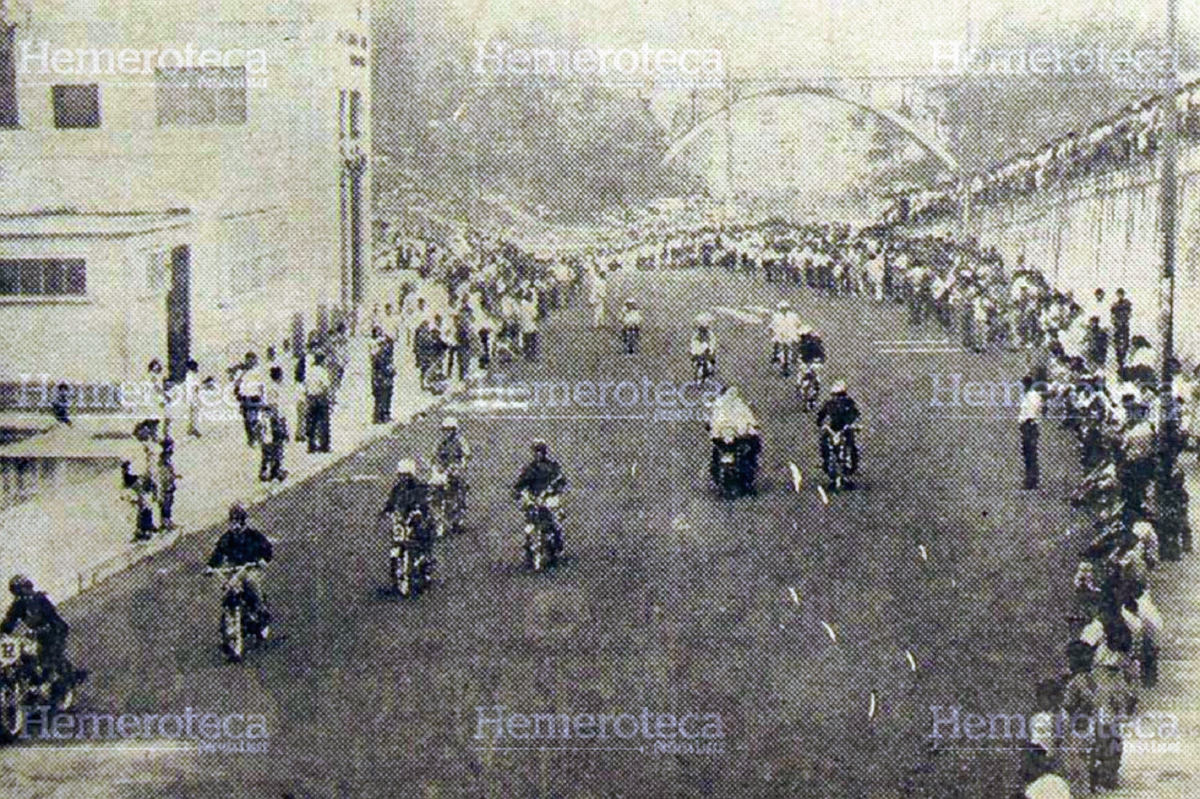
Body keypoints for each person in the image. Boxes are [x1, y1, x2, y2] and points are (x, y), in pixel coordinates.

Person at [206, 504, 274, 638]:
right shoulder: (227, 537)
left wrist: (263, 559)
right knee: (227, 587)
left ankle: (260, 611)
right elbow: (218, 552)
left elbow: (266, 548)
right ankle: (230, 615)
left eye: (239, 521)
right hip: (234, 568)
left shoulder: (253, 535)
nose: (236, 526)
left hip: (250, 567)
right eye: (233, 522)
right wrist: (211, 566)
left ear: (244, 522)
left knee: (251, 582)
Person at [1, 574, 72, 677]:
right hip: (41, 633)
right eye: (16, 591)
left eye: (22, 589)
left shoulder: (39, 599)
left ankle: (64, 678)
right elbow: (9, 622)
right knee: (27, 657)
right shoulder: (19, 604)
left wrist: (42, 630)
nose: (20, 593)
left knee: (48, 659)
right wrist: (3, 632)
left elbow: (52, 618)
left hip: (54, 630)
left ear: (28, 586)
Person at [816, 381, 861, 486]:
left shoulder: (849, 403)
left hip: (845, 430)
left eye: (841, 395)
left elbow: (855, 415)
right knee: (824, 447)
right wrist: (823, 425)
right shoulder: (829, 404)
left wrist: (855, 425)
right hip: (832, 430)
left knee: (852, 448)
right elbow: (820, 416)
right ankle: (829, 469)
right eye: (837, 395)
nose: (839, 398)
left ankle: (848, 472)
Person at [304, 353, 333, 453]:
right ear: (322, 361)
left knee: (312, 423)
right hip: (320, 397)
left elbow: (306, 386)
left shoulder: (309, 371)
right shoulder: (322, 371)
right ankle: (324, 445)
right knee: (324, 422)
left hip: (311, 397)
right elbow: (326, 386)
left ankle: (311, 445)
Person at [1019, 377, 1044, 490]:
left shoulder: (1033, 396)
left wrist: (1026, 425)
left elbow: (1031, 414)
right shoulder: (1028, 395)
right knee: (1027, 453)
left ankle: (1032, 479)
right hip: (1027, 426)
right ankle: (1031, 478)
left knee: (1030, 453)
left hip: (1030, 426)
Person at [370, 325, 396, 424]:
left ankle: (381, 416)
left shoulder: (383, 351)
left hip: (381, 377)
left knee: (382, 397)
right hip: (382, 377)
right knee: (383, 396)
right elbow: (381, 364)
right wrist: (390, 370)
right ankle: (382, 416)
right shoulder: (382, 352)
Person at [1110, 288, 1133, 372]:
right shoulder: (1115, 305)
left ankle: (1123, 359)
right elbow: (1112, 315)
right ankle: (1119, 360)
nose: (1120, 296)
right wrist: (1115, 321)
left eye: (1121, 294)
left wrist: (1123, 319)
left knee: (1125, 342)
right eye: (1119, 294)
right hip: (1117, 326)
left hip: (1124, 325)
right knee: (1117, 343)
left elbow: (1128, 313)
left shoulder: (1126, 304)